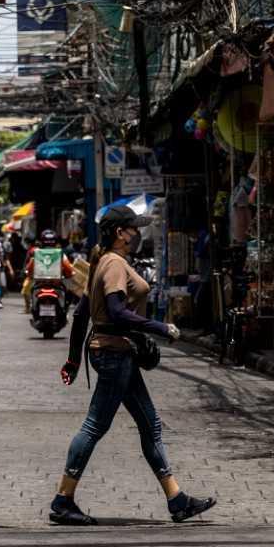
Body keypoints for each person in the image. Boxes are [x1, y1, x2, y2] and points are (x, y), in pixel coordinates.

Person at [50, 205, 215, 526]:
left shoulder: (102, 262)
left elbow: (83, 314)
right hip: (113, 355)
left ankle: (177, 500)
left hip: (117, 353)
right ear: (119, 233)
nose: (137, 233)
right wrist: (160, 327)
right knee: (95, 425)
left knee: (150, 425)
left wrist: (72, 359)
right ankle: (62, 500)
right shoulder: (112, 264)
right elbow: (116, 312)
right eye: (133, 228)